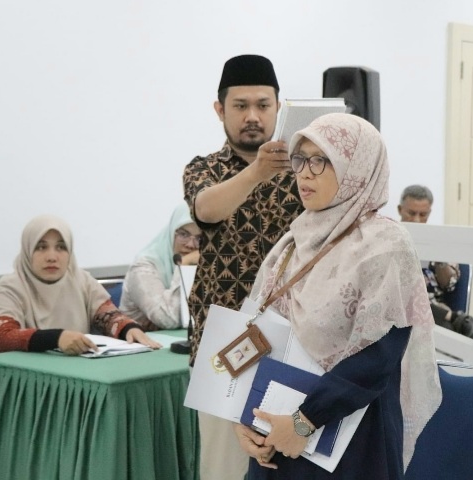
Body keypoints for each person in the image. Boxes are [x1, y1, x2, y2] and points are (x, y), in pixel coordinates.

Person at [232, 113, 442, 479]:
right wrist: (245, 418)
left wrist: (303, 422)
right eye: (300, 159)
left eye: (321, 160)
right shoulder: (295, 241)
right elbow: (260, 331)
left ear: (357, 167)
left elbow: (377, 357)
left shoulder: (384, 244)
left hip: (348, 437)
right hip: (276, 428)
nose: (305, 173)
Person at [182, 54, 302, 479]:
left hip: (296, 340)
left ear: (278, 108)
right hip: (222, 343)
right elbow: (206, 209)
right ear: (220, 110)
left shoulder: (305, 171)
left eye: (263, 105)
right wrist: (256, 172)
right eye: (240, 105)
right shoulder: (203, 169)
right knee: (224, 467)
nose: (253, 116)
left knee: (289, 461)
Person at [0, 215, 161, 355]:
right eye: (41, 247)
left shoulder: (81, 280)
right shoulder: (8, 288)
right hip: (26, 377)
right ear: (27, 250)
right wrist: (56, 339)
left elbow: (108, 316)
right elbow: (2, 337)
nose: (52, 257)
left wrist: (128, 329)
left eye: (61, 247)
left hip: (76, 373)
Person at [398, 184, 473, 338]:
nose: (416, 220)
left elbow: (450, 284)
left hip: (434, 310)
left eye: (423, 215)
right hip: (401, 311)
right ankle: (452, 317)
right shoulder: (390, 239)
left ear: (429, 213)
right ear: (400, 210)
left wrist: (439, 258)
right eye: (411, 213)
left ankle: (451, 318)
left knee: (449, 330)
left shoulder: (438, 240)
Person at [120, 203, 200, 330]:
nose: (190, 244)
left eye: (200, 238)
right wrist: (184, 265)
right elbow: (167, 319)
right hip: (141, 341)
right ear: (171, 232)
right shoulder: (142, 268)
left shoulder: (204, 265)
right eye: (184, 234)